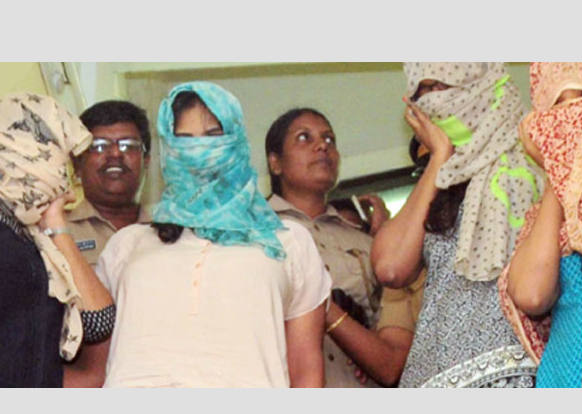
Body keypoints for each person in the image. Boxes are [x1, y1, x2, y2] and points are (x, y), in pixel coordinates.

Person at [96, 82, 329, 388]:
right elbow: (94, 368)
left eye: (213, 136)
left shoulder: (287, 241)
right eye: (184, 140)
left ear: (237, 141)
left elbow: (306, 370)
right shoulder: (127, 244)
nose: (199, 151)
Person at [372, 62, 543, 387]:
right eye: (423, 91)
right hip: (436, 376)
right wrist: (439, 157)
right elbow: (390, 267)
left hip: (513, 374)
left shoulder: (534, 161)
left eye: (442, 86)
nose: (433, 100)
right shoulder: (442, 180)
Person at [266, 108, 415, 387]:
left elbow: (392, 358)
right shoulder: (252, 235)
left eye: (329, 139)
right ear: (275, 163)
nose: (322, 146)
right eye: (304, 137)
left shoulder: (368, 244)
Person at [0, 93, 114, 387]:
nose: (71, 192)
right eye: (63, 169)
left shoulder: (26, 236)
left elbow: (97, 322)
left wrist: (55, 223)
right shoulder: (10, 245)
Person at [500, 62, 582, 388]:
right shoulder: (542, 216)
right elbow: (531, 294)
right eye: (556, 106)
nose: (569, 114)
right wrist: (557, 176)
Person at [63, 100, 152, 387]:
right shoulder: (54, 234)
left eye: (128, 145)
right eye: (99, 146)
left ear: (146, 161)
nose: (115, 154)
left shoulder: (173, 234)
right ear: (77, 164)